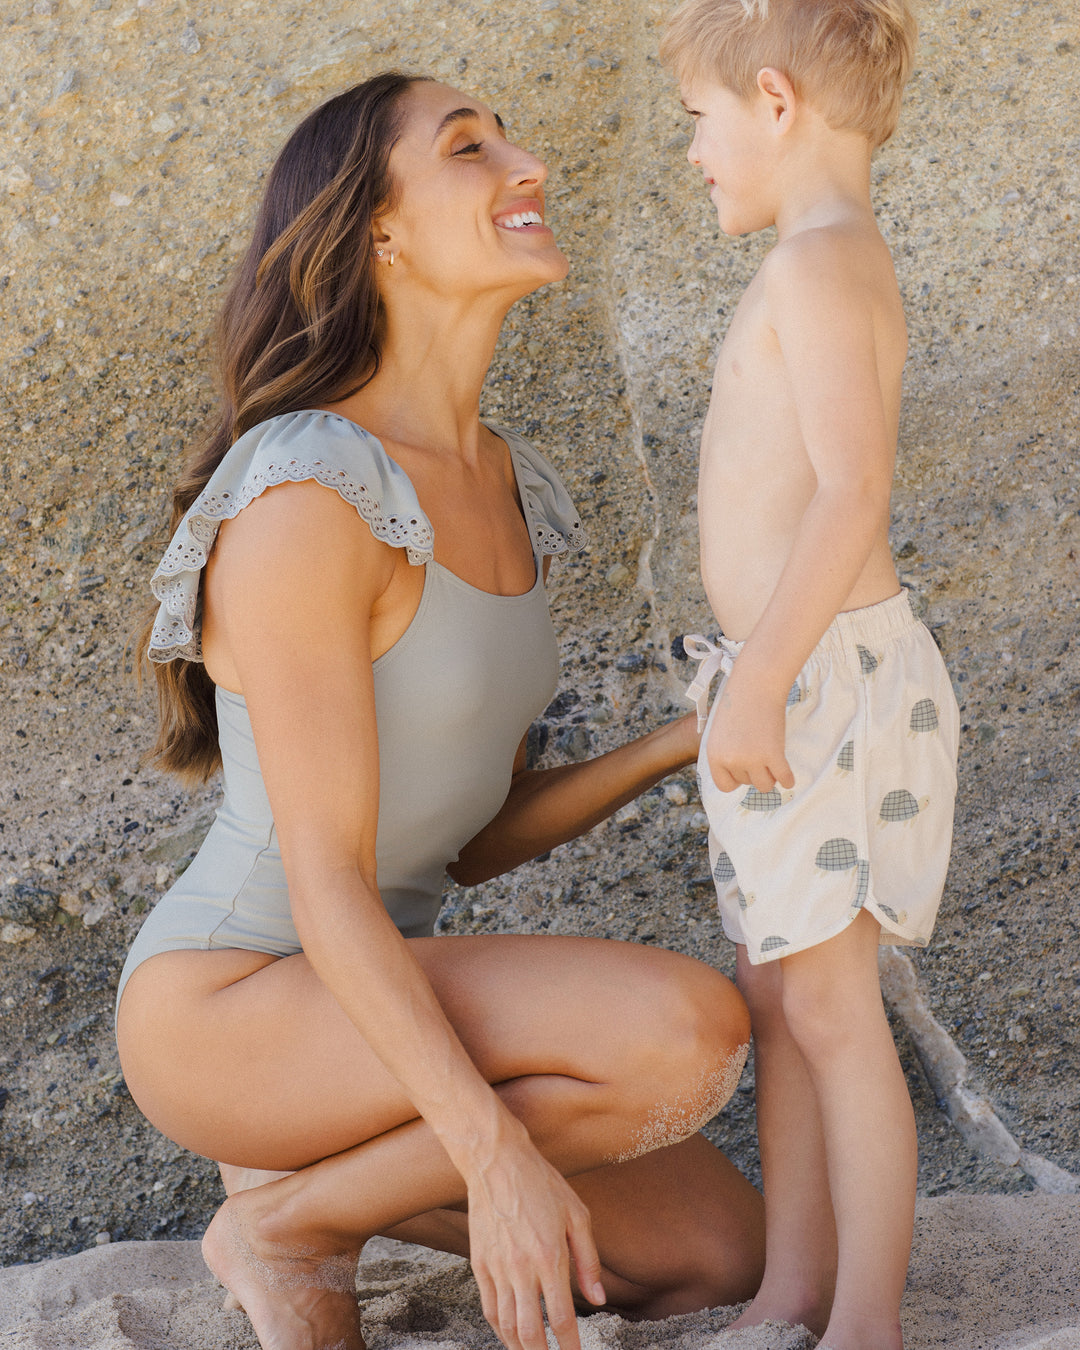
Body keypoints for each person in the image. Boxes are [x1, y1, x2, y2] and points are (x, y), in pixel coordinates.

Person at [114, 72, 765, 1350]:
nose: (527, 165)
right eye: (471, 148)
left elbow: (470, 838)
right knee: (684, 1035)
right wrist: (493, 1157)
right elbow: (328, 883)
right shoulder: (307, 495)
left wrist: (693, 739)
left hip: (372, 1005)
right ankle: (289, 1227)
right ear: (379, 233)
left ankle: (312, 1196)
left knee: (712, 1253)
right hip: (237, 1007)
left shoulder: (500, 477)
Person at [658, 3, 959, 1348]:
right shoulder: (806, 258)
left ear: (773, 103)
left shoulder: (827, 266)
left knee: (833, 1008)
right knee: (781, 985)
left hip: (820, 674)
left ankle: (867, 1324)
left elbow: (852, 493)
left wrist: (764, 678)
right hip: (787, 670)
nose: (695, 154)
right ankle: (792, 1289)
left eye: (698, 122)